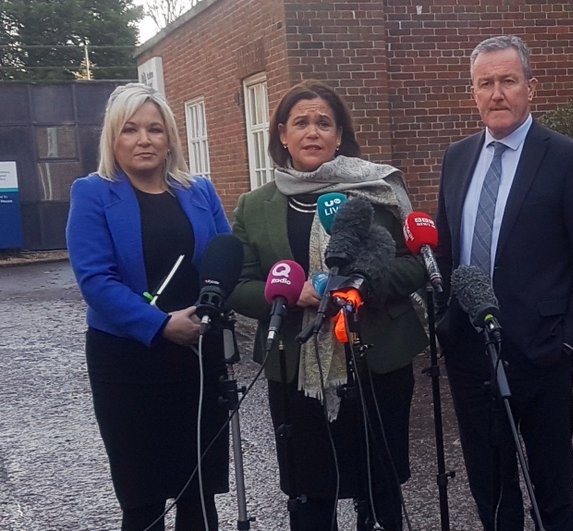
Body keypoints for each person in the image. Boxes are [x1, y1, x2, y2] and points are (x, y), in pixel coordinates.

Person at [227, 79, 428, 531]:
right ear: (282, 135)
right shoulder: (254, 206)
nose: (312, 132)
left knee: (378, 490)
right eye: (300, 123)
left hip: (376, 361)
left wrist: (361, 285)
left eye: (323, 123)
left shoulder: (376, 191)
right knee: (309, 493)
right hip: (296, 366)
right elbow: (240, 284)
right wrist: (288, 294)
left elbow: (415, 266)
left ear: (339, 135)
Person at [435, 36, 573, 530]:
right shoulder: (456, 157)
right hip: (471, 356)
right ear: (473, 93)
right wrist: (444, 323)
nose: (497, 94)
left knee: (550, 489)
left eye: (508, 81)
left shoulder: (567, 158)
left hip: (540, 354)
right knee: (489, 488)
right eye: (485, 83)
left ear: (530, 88)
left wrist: (570, 340)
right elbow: (445, 251)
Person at [66, 83, 232, 531]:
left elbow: (226, 254)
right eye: (131, 130)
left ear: (170, 138)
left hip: (198, 355)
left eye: (155, 129)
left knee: (198, 491)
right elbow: (96, 280)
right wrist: (159, 325)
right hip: (128, 361)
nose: (144, 140)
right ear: (112, 138)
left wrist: (209, 310)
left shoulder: (200, 191)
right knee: (143, 497)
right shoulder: (92, 193)